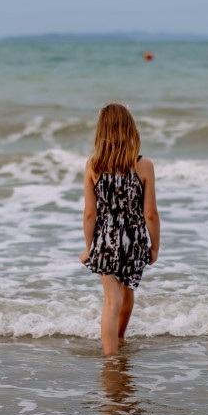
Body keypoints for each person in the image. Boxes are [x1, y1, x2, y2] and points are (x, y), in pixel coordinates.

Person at [80, 103, 160, 356]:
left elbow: (90, 213)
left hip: (105, 240)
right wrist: (154, 246)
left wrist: (89, 248)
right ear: (130, 129)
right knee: (127, 294)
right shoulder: (144, 165)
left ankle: (110, 356)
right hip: (134, 240)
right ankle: (119, 339)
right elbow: (150, 213)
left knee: (111, 300)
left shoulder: (93, 165)